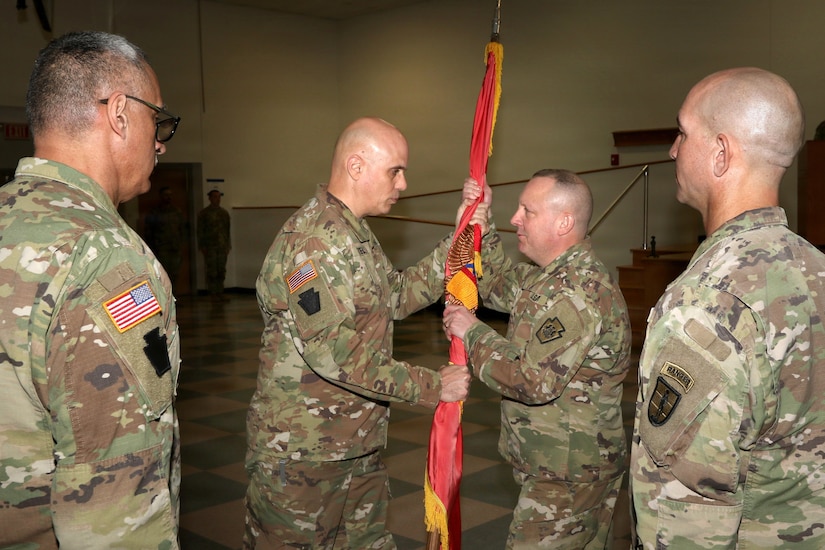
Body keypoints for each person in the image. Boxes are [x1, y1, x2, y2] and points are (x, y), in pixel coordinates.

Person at [243, 116, 477, 549]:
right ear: (356, 166)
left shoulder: (353, 234)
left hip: (354, 444)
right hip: (305, 455)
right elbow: (335, 354)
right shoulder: (314, 241)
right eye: (395, 170)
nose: (403, 183)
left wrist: (460, 237)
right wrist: (431, 385)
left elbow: (396, 295)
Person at [0, 31, 182, 548]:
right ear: (120, 114)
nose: (161, 141)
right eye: (158, 120)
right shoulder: (103, 256)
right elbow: (115, 508)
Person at [630, 67, 825, 548]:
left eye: (682, 132)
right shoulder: (816, 268)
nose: (674, 149)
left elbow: (683, 517)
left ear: (721, 153)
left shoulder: (706, 304)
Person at [443, 169, 632, 549]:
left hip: (570, 476)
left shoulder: (579, 292)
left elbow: (532, 380)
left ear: (563, 222)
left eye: (527, 211)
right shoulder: (548, 278)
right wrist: (481, 220)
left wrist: (473, 332)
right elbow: (495, 283)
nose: (517, 218)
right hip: (556, 465)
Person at [145, 185, 187, 291]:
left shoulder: (177, 212)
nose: (168, 197)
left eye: (170, 195)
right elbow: (149, 231)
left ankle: (174, 297)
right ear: (161, 196)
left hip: (175, 248)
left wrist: (182, 244)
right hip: (161, 249)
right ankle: (164, 299)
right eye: (166, 195)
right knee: (162, 275)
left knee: (175, 274)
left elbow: (182, 229)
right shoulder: (155, 212)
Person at [197, 186, 231, 300]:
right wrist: (202, 246)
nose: (217, 199)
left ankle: (220, 292)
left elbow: (227, 230)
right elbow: (200, 231)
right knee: (212, 271)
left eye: (218, 197)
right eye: (215, 197)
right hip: (210, 246)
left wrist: (228, 245)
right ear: (210, 198)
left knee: (221, 270)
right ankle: (212, 293)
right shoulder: (204, 213)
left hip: (222, 246)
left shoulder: (224, 213)